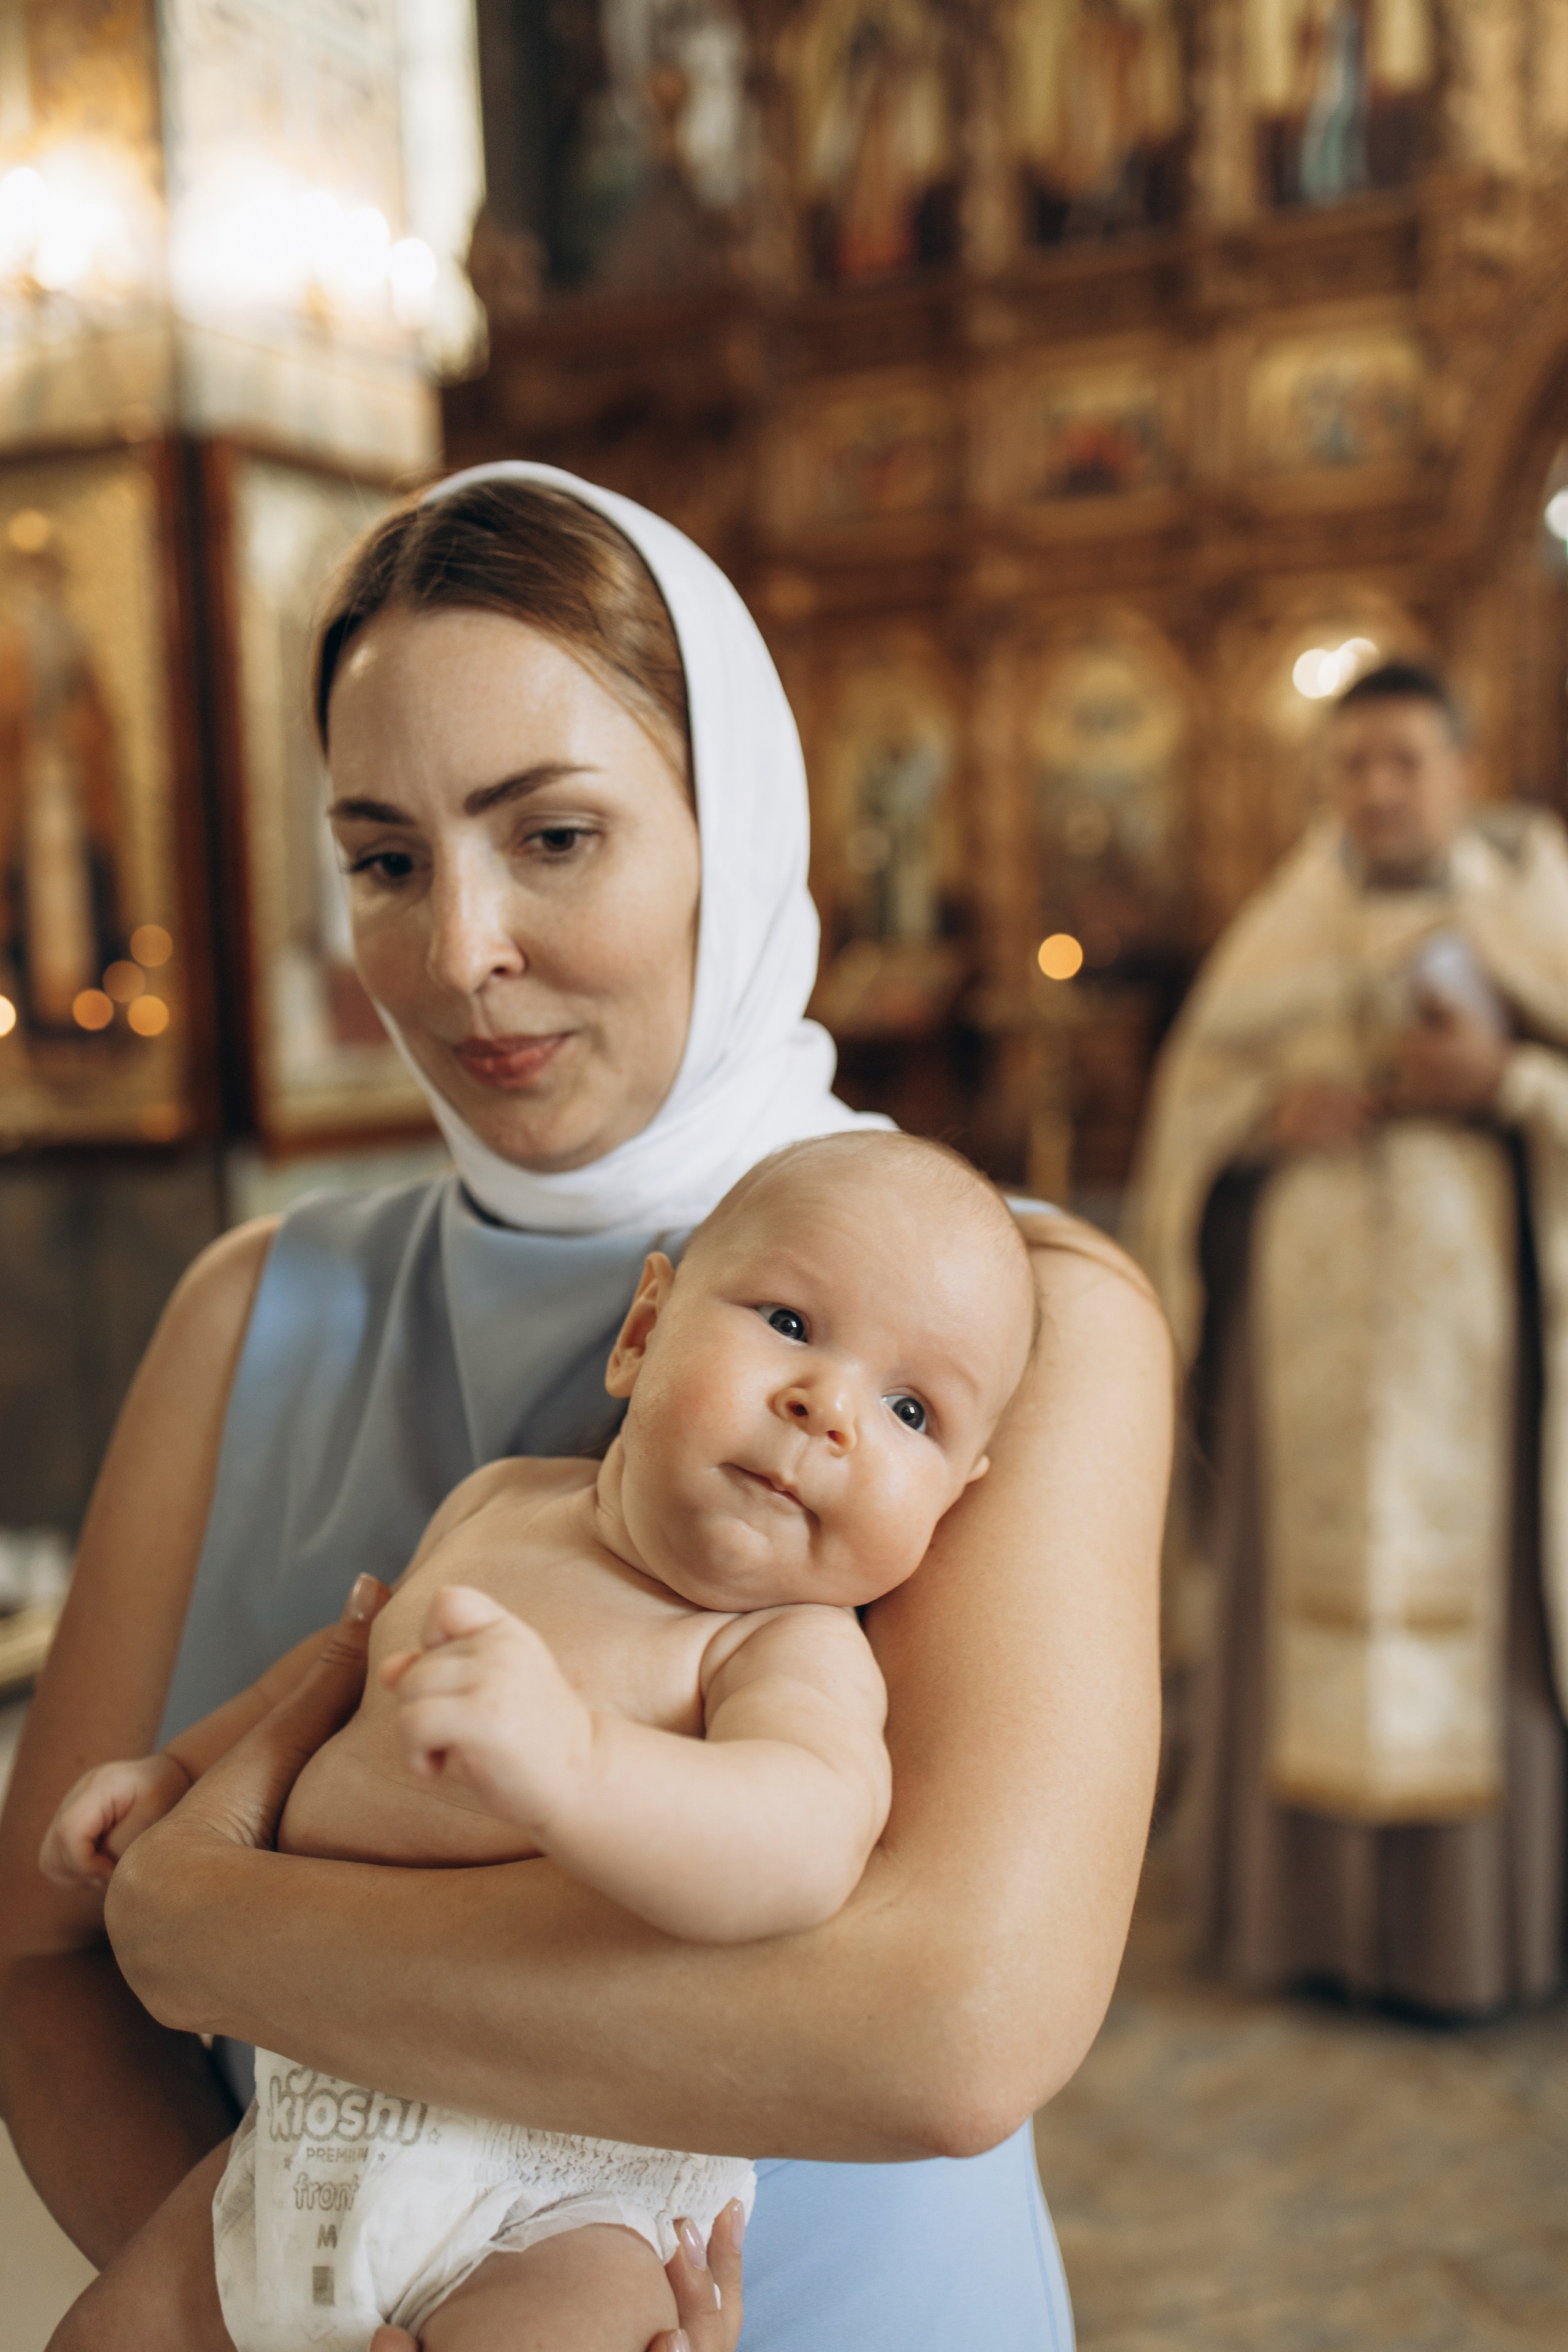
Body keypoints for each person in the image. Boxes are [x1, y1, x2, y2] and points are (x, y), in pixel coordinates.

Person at [0, 462, 1169, 2352]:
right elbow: (43, 1953)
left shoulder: (1014, 1316)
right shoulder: (249, 1307)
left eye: (553, 838)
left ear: (740, 828)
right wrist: (304, 2293)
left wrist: (215, 1927)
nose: (459, 952)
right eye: (387, 860)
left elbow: (950, 2032)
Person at [41, 1131, 1037, 2351]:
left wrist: (575, 1766)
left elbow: (802, 1839)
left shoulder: (781, 1648)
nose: (824, 1408)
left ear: (953, 1496)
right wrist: (176, 1774)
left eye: (908, 1410)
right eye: (786, 1322)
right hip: (312, 2107)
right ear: (640, 1335)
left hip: (571, 2183)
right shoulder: (495, 1503)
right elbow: (323, 1686)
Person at [1131, 659, 1568, 2015]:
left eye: (1404, 761)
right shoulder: (1283, 929)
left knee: (1479, 1618)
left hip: (1481, 1361)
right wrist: (1264, 1124)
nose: (1376, 789)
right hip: (1306, 1357)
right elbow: (1184, 1127)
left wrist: (1506, 1082)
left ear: (1461, 769)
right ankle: (1311, 1929)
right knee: (1295, 1610)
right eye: (1351, 764)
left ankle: (1471, 1942)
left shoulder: (1537, 907)